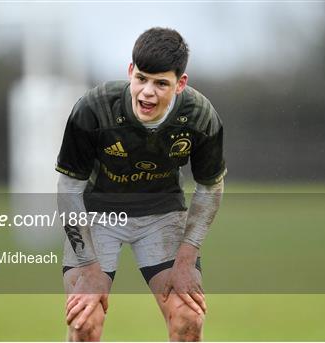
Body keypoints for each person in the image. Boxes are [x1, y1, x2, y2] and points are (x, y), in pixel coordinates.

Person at [56, 27, 226, 341]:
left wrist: (187, 259)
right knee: (85, 322)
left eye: (161, 83)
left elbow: (210, 186)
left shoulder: (200, 117)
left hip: (161, 214)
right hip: (96, 215)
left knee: (189, 319)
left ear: (180, 84)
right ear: (130, 71)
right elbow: (68, 187)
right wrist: (89, 266)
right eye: (142, 78)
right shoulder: (93, 110)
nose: (147, 92)